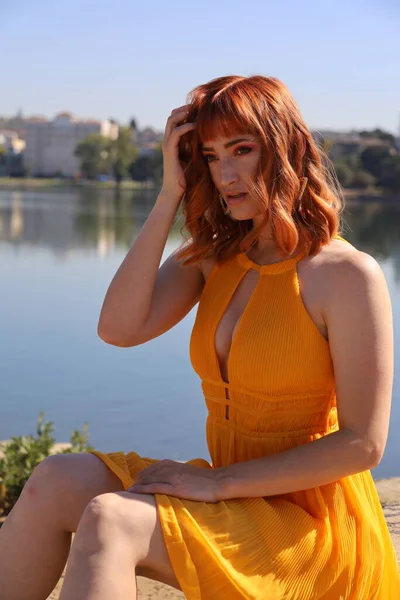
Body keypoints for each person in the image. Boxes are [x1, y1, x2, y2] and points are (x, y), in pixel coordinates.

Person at [0, 75, 398, 600]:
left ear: (283, 149)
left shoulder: (347, 274)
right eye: (210, 156)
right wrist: (170, 193)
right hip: (231, 499)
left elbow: (364, 445)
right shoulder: (216, 258)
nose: (226, 173)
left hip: (312, 529)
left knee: (112, 519)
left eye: (241, 150)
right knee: (54, 480)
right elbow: (117, 329)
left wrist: (217, 483)